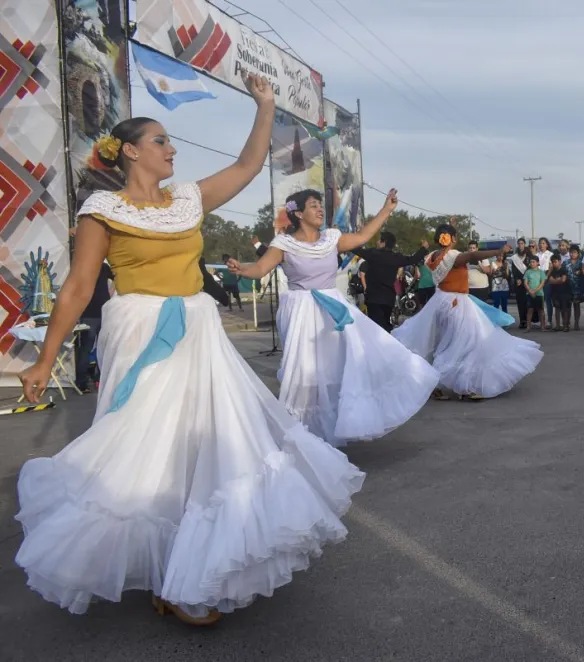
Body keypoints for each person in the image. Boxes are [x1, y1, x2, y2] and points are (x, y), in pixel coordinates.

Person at [14, 76, 365, 624]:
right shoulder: (102, 208)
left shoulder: (187, 198)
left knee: (208, 445)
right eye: (161, 141)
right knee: (150, 449)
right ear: (131, 151)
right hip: (141, 330)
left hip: (198, 329)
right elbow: (79, 288)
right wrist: (44, 358)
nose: (172, 147)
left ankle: (185, 575)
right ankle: (165, 575)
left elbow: (248, 166)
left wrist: (265, 105)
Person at [229, 188, 439, 446]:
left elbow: (363, 235)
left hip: (333, 311)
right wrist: (242, 269)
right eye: (313, 205)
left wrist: (387, 209)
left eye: (320, 205)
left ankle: (330, 432)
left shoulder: (331, 239)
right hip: (301, 311)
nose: (319, 210)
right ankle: (302, 438)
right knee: (305, 375)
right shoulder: (284, 244)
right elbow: (261, 267)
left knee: (340, 368)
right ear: (297, 213)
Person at [392, 225, 543, 399]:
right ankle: (461, 387)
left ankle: (440, 384)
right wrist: (498, 251)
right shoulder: (453, 256)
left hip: (440, 300)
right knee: (463, 343)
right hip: (455, 303)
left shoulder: (433, 256)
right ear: (453, 238)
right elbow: (471, 256)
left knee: (448, 341)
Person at [351, 231, 430, 332]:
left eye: (380, 240)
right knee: (384, 325)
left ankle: (378, 345)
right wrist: (423, 248)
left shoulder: (372, 254)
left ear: (384, 243)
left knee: (374, 328)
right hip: (388, 299)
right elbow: (413, 259)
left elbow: (355, 250)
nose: (377, 242)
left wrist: (346, 239)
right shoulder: (396, 258)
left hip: (373, 298)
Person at [74, 259, 114, 394]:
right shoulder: (103, 267)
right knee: (101, 348)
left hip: (92, 312)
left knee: (87, 348)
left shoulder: (84, 266)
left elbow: (76, 289)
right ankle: (98, 380)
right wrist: (110, 292)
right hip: (101, 311)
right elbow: (118, 278)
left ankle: (83, 383)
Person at [509, 238, 530, 329]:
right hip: (519, 282)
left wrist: (526, 278)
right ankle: (522, 321)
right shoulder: (514, 257)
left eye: (522, 243)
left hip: (528, 281)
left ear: (525, 244)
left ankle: (529, 320)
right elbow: (514, 270)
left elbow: (531, 268)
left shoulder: (529, 255)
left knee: (528, 302)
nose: (520, 245)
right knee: (520, 301)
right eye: (519, 243)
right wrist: (517, 278)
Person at [523, 255, 547, 332]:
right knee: (530, 310)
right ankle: (528, 326)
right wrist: (530, 291)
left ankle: (543, 326)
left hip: (539, 294)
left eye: (533, 262)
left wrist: (535, 291)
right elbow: (525, 283)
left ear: (538, 263)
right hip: (529, 294)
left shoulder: (541, 272)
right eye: (531, 262)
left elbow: (542, 283)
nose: (532, 263)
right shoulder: (528, 272)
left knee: (541, 310)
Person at [564, 245, 584, 331]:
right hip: (567, 288)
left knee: (577, 306)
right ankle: (567, 323)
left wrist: (581, 272)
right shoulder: (565, 262)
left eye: (574, 252)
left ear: (578, 253)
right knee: (568, 307)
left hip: (577, 288)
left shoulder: (581, 263)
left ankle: (576, 323)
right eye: (571, 252)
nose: (572, 254)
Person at [548, 253, 569, 331]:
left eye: (555, 261)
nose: (554, 263)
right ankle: (557, 325)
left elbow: (563, 280)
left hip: (564, 292)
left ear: (559, 261)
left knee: (565, 309)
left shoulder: (563, 269)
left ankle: (565, 325)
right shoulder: (552, 271)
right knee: (557, 308)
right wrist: (558, 280)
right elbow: (550, 280)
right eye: (552, 262)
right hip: (555, 293)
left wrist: (555, 280)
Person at [536, 237, 554, 322]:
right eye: (540, 243)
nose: (541, 245)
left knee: (547, 300)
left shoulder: (550, 254)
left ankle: (549, 320)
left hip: (546, 279)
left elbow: (551, 267)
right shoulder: (537, 255)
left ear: (547, 244)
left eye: (543, 243)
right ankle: (541, 321)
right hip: (538, 279)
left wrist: (546, 277)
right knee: (539, 301)